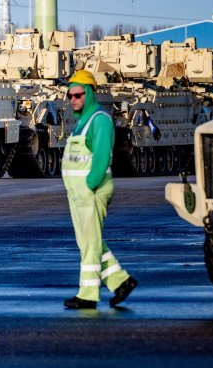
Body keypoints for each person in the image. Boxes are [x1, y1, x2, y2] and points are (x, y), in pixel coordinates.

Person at [61, 69, 137, 309]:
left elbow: (102, 156)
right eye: (70, 95)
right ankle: (121, 282)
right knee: (87, 242)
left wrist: (89, 185)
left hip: (91, 191)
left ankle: (88, 294)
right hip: (78, 194)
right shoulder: (82, 121)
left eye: (78, 94)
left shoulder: (99, 120)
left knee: (90, 243)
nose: (74, 99)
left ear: (90, 93)